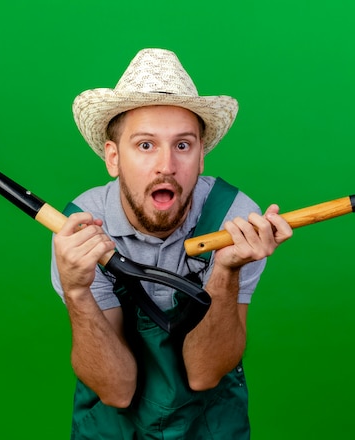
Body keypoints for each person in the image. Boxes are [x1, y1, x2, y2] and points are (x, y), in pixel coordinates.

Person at [50, 48, 293, 439]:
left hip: (209, 425)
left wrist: (226, 271)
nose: (166, 165)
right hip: (113, 428)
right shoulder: (80, 229)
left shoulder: (235, 218)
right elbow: (116, 389)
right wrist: (77, 292)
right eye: (145, 145)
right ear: (113, 158)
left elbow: (205, 373)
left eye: (183, 145)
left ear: (201, 158)